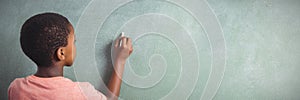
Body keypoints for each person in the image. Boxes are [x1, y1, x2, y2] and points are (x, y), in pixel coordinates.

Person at [8, 12, 133, 100]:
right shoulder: (80, 92)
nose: (74, 46)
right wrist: (119, 61)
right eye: (73, 42)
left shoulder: (16, 88)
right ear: (61, 53)